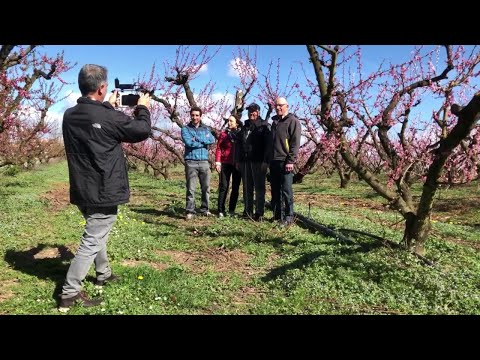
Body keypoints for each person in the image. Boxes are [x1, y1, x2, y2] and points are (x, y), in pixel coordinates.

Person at [59, 64, 152, 311]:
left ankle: (103, 273)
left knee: (96, 232)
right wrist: (143, 107)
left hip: (82, 187)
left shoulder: (69, 115)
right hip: (104, 188)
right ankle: (69, 292)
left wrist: (107, 105)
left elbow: (96, 125)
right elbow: (141, 130)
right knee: (92, 239)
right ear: (102, 88)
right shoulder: (108, 116)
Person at [235, 103, 271, 221]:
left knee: (259, 188)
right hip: (245, 162)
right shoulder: (244, 127)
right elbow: (239, 145)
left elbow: (268, 146)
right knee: (247, 187)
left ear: (258, 112)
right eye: (249, 110)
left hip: (258, 161)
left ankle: (259, 213)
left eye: (254, 110)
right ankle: (248, 211)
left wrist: (266, 161)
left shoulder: (264, 126)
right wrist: (238, 160)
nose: (251, 113)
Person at [269, 97, 301, 226]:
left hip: (285, 161)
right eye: (276, 105)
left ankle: (288, 216)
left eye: (280, 105)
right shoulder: (275, 122)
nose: (278, 108)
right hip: (274, 160)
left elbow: (295, 143)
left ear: (287, 106)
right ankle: (277, 215)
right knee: (275, 189)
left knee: (286, 190)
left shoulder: (293, 121)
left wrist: (291, 160)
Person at [181, 106, 216, 220]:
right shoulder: (185, 129)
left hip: (204, 161)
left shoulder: (206, 129)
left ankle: (205, 209)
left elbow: (211, 140)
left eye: (197, 115)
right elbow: (189, 143)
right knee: (191, 188)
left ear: (200, 116)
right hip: (191, 161)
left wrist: (196, 139)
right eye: (193, 115)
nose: (195, 117)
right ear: (190, 116)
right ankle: (190, 210)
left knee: (206, 187)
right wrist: (203, 141)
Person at [215, 115, 242, 217]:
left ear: (237, 123)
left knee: (235, 187)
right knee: (223, 186)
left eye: (231, 121)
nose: (229, 123)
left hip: (237, 163)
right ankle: (220, 210)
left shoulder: (240, 134)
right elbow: (218, 148)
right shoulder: (223, 134)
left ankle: (231, 210)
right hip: (226, 162)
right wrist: (218, 162)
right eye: (228, 121)